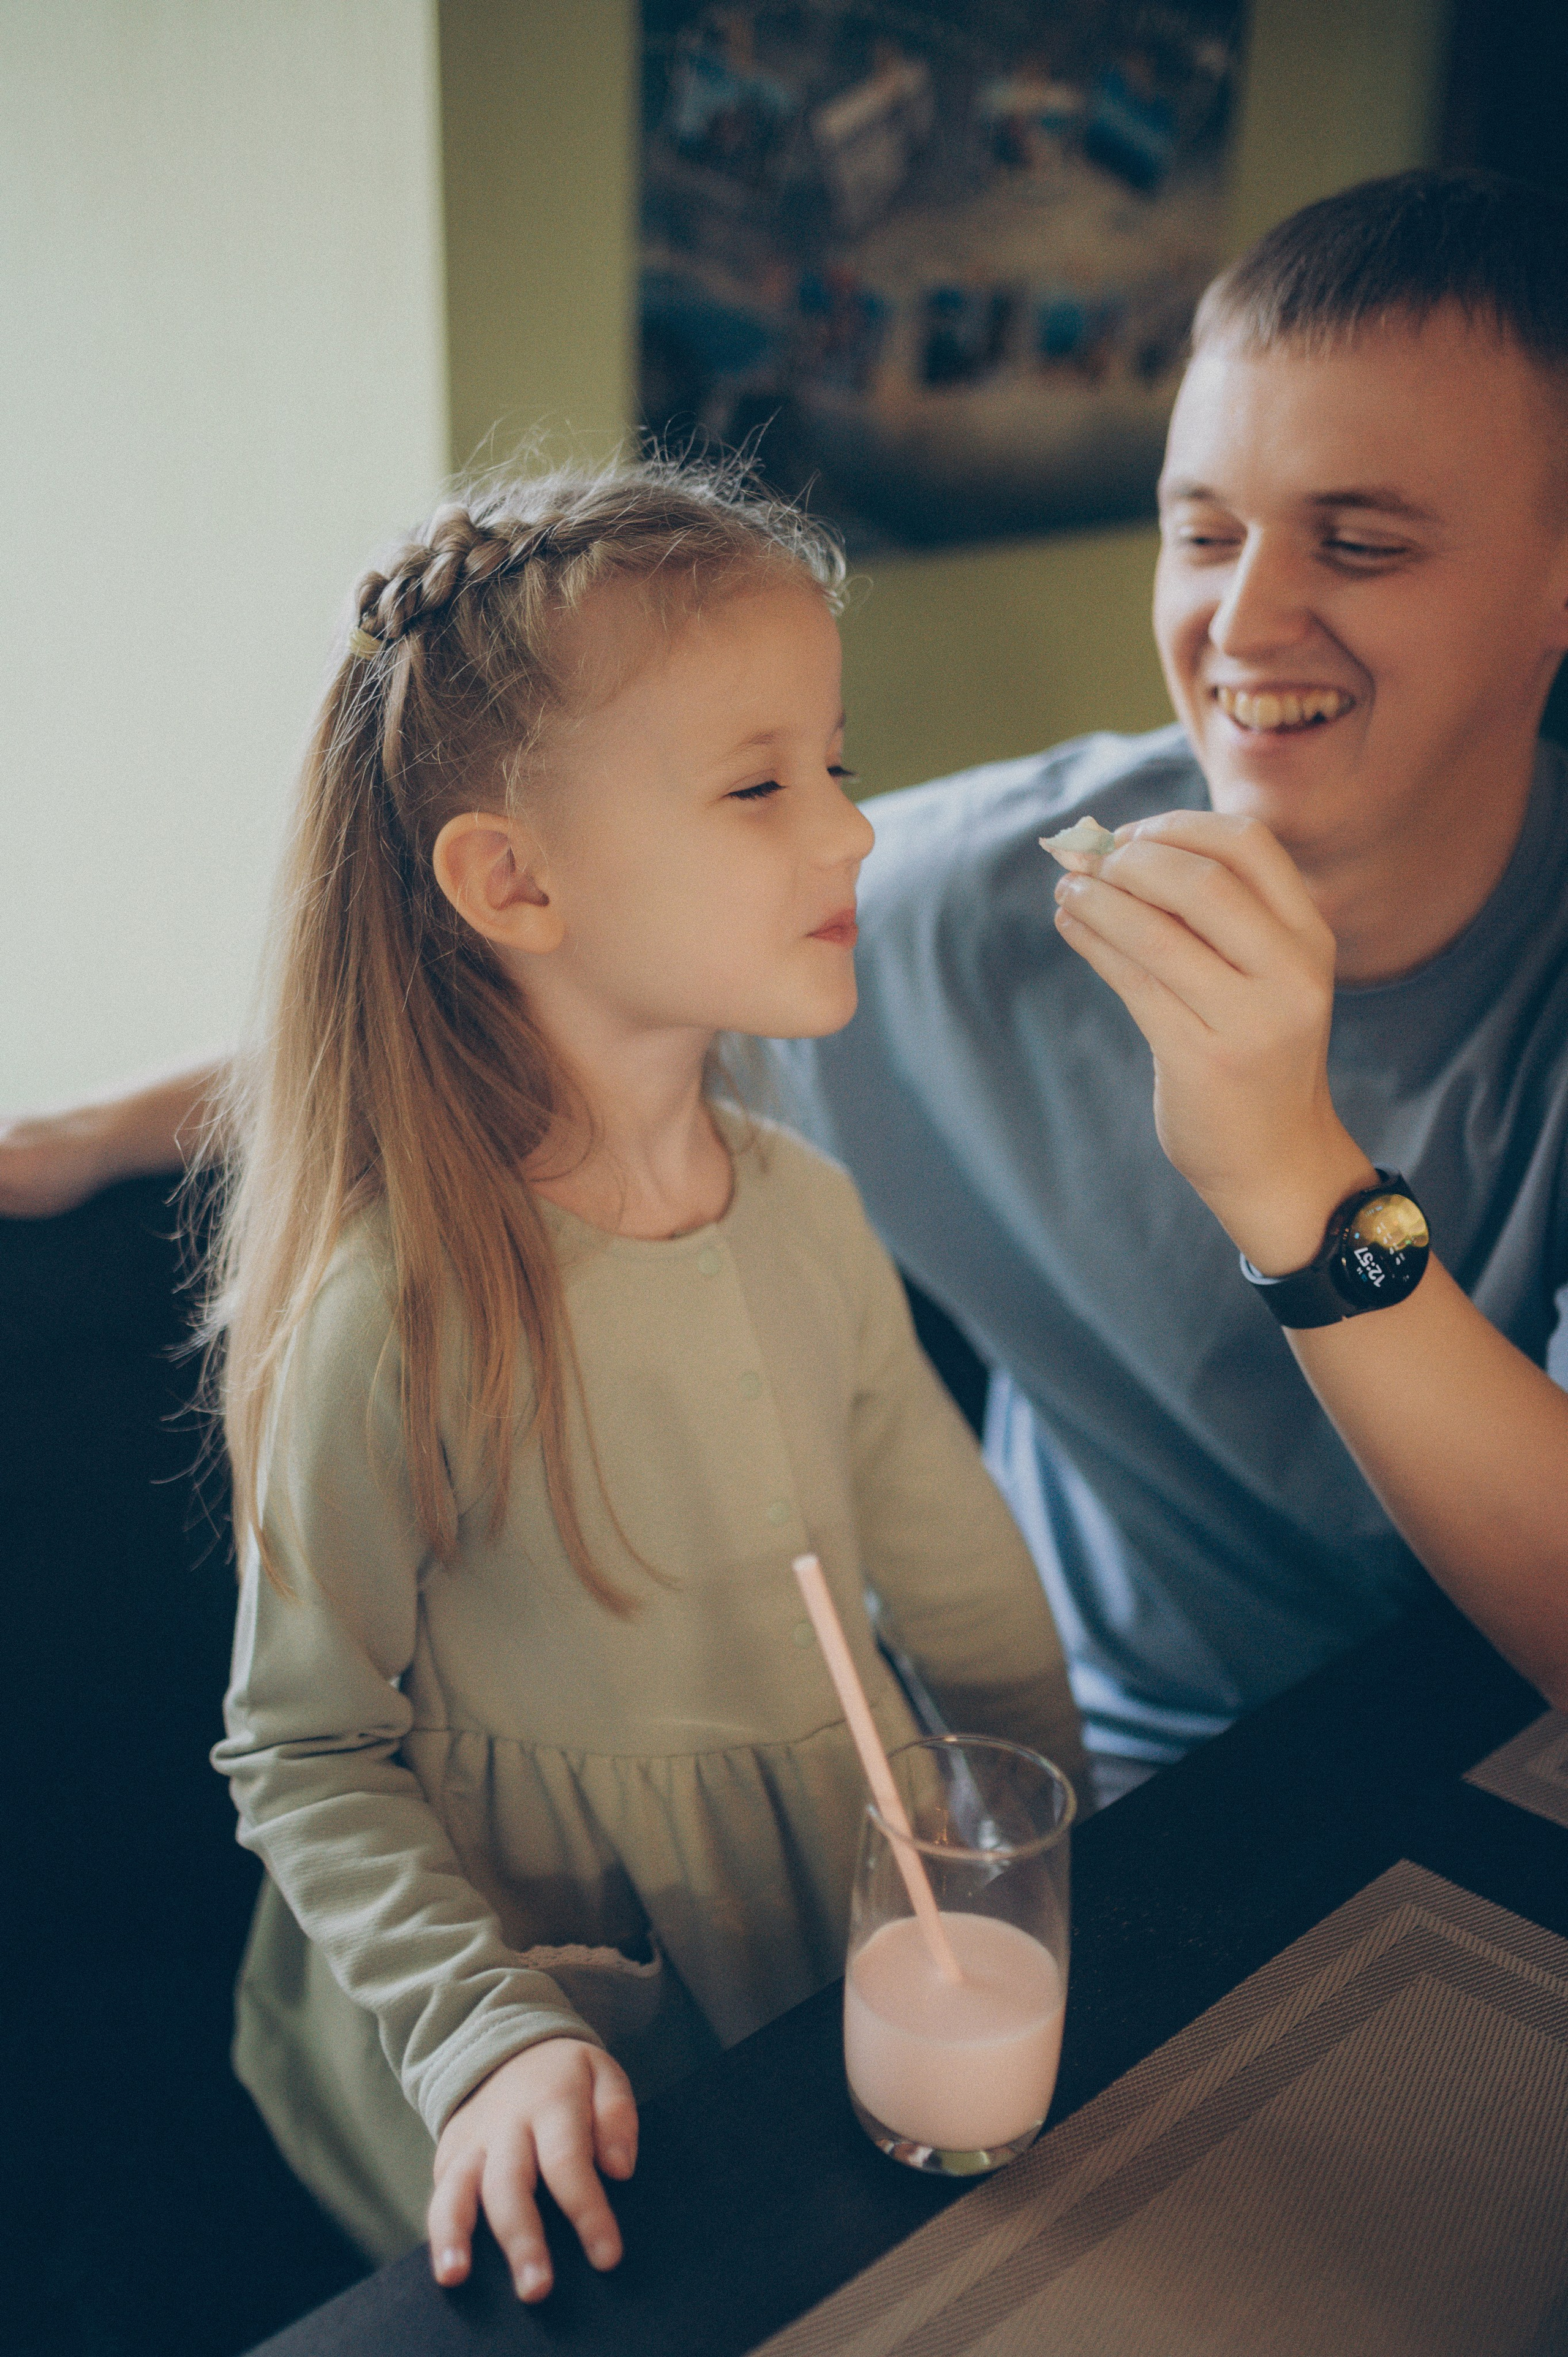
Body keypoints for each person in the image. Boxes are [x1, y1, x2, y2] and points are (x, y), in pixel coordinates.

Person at [7, 166, 1568, 1762]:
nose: (1242, 619)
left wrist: (1290, 1177)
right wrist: (85, 1136)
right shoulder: (981, 906)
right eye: (1203, 532)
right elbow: (510, 989)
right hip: (1129, 1794)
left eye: (1362, 545)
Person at [192, 461, 1081, 2301]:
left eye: (836, 762)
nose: (849, 834)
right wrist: (484, 2040)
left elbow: (970, 1583)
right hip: (538, 2039)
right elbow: (304, 1751)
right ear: (513, 881)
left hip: (847, 1937)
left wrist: (1053, 1860)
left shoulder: (814, 1213)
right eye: (761, 785)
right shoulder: (400, 1311)